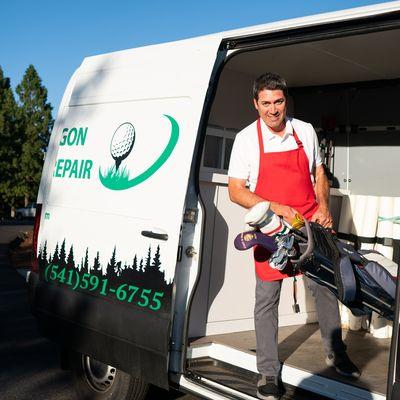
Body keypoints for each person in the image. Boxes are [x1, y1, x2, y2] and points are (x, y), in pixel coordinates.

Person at [227, 72, 360, 400]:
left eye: (279, 101)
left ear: (287, 101)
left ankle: (335, 352)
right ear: (256, 104)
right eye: (266, 103)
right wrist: (278, 207)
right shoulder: (246, 139)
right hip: (271, 229)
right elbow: (235, 191)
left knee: (325, 289)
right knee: (267, 300)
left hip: (309, 228)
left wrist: (324, 205)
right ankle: (269, 373)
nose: (273, 110)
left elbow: (319, 172)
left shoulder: (305, 131)